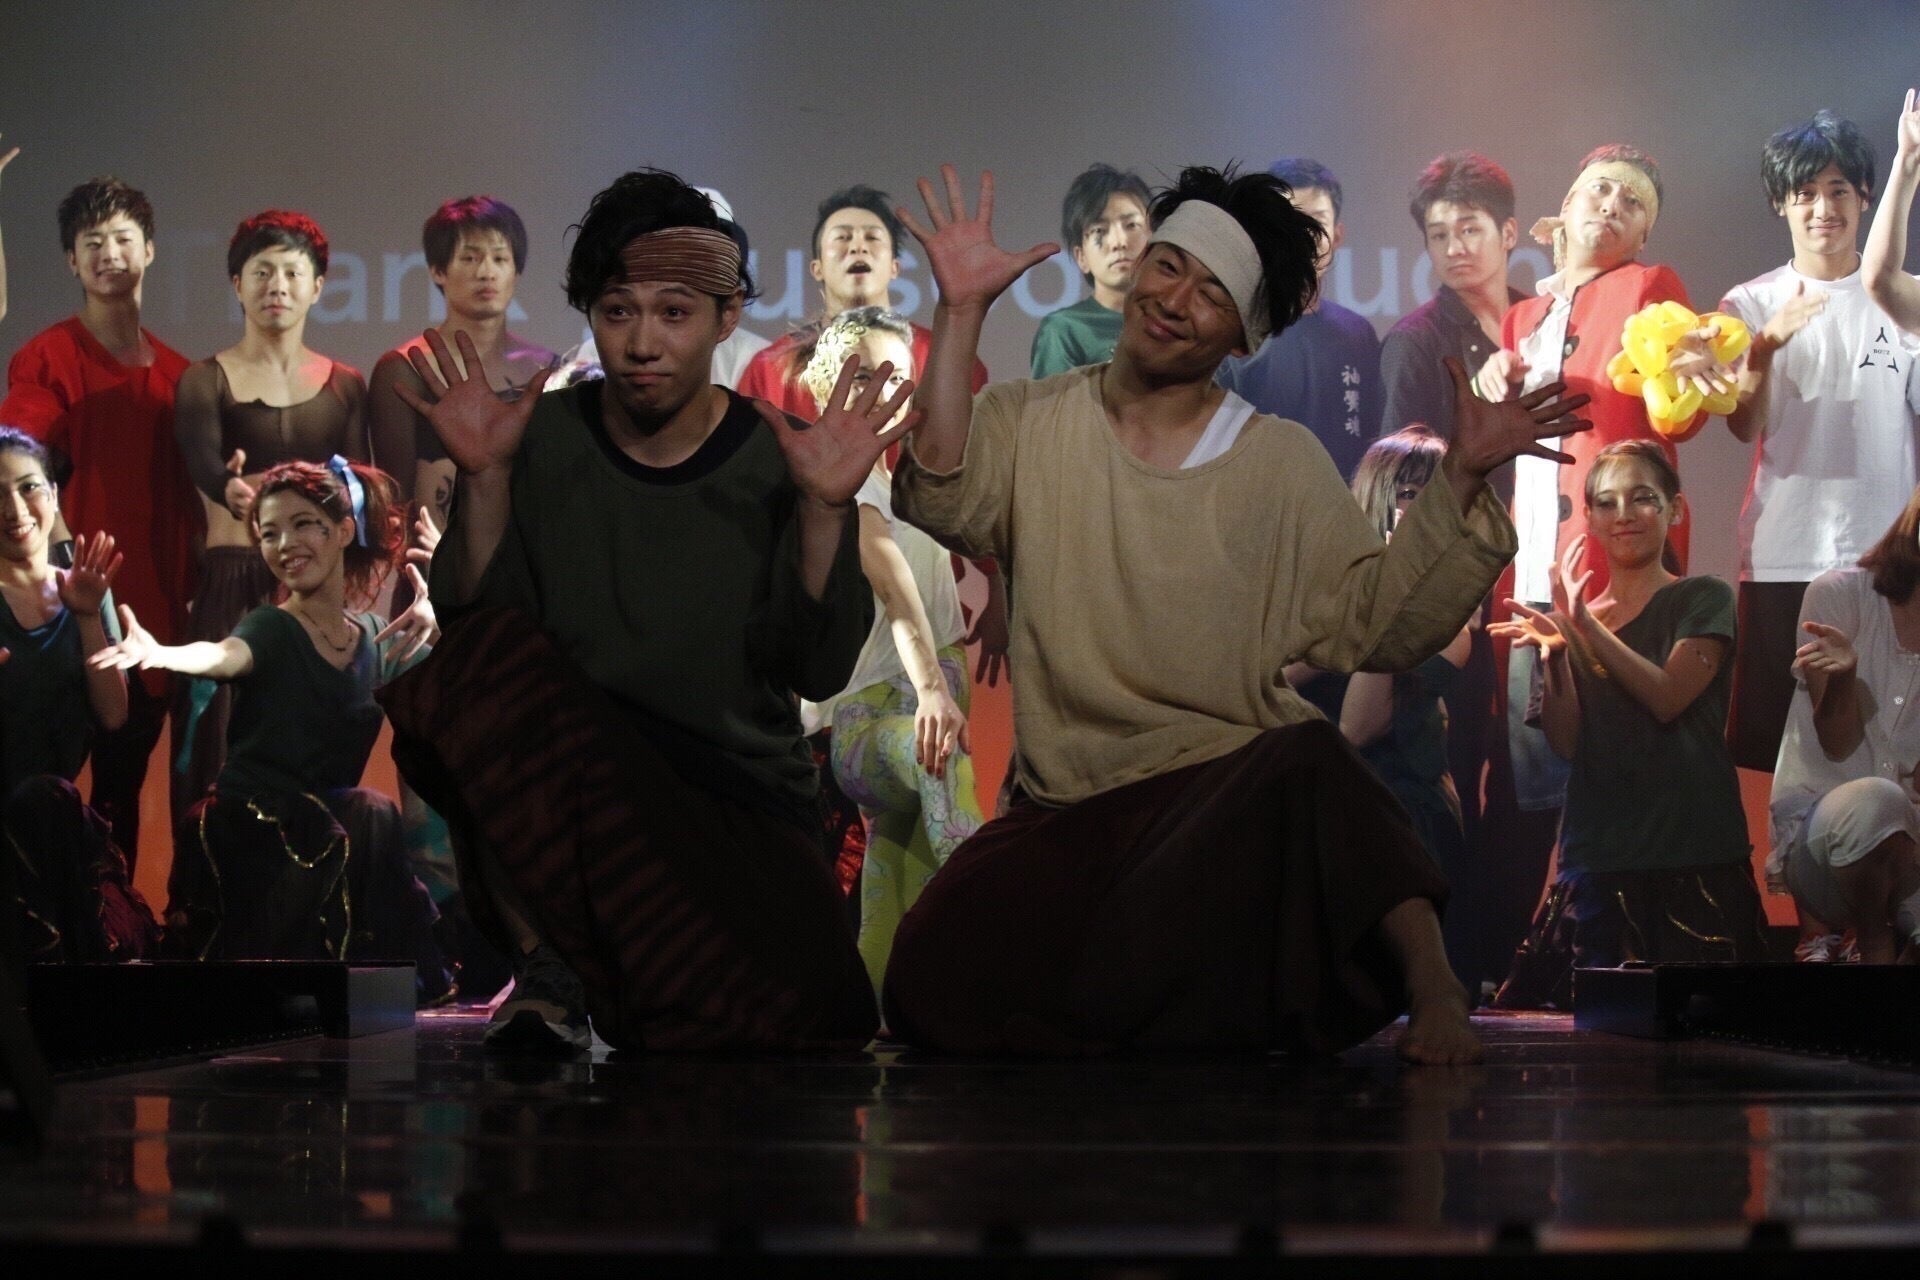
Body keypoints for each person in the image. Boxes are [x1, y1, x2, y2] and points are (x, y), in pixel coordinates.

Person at [881, 163, 1590, 1065]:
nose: (1176, 300)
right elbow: (939, 492)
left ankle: (1433, 983)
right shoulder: (1033, 417)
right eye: (1169, 266)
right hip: (1072, 806)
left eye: (1213, 294)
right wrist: (960, 312)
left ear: (1244, 334)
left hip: (1222, 799)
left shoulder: (1275, 461)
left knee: (1312, 760)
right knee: (929, 977)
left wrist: (1460, 478)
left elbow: (1375, 624)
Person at [379, 169, 905, 1053]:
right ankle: (549, 963)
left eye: (674, 312)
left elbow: (815, 668)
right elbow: (479, 640)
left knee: (816, 1021)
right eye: (618, 312)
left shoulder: (777, 453)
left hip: (735, 799)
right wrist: (487, 478)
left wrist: (825, 509)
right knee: (462, 678)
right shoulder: (541, 438)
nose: (643, 343)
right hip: (585, 779)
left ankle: (635, 975)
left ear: (726, 319)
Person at [91, 460, 446, 990]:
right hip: (253, 827)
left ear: (343, 531)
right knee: (370, 812)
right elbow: (223, 655)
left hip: (329, 826)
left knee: (371, 815)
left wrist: (442, 610)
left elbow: (453, 685)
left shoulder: (374, 638)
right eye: (269, 533)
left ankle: (380, 984)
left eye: (303, 525)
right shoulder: (271, 625)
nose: (284, 545)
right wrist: (163, 653)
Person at [1491, 442, 1765, 1006]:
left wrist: (1583, 625)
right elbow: (1567, 743)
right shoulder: (1569, 625)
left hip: (1694, 855)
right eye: (1607, 502)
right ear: (1589, 517)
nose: (1624, 515)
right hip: (1600, 858)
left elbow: (1667, 697)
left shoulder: (1702, 597)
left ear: (1674, 509)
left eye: (1642, 498)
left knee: (1708, 1035)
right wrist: (1557, 656)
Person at [0, 175, 200, 866]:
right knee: (39, 796)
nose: (109, 253)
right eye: (92, 242)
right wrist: (71, 582)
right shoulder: (47, 358)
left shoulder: (181, 375)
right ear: (71, 260)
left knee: (119, 798)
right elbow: (21, 460)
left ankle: (112, 923)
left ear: (149, 249)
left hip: (156, 616)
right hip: (71, 612)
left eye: (122, 238)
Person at [1722, 112, 1920, 785]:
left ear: (1865, 197)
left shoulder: (1900, 301)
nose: (1822, 208)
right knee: (1776, 764)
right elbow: (1741, 425)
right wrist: (1762, 349)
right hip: (1784, 555)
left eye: (1839, 190)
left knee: (1884, 753)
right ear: (1781, 205)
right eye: (1804, 193)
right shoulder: (1750, 302)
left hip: (1884, 560)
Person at [796, 307, 983, 995]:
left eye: (896, 376)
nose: (882, 390)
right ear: (826, 384)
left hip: (935, 696)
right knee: (941, 766)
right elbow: (895, 588)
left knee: (894, 876)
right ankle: (1006, 928)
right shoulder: (843, 491)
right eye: (863, 376)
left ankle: (885, 1013)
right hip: (866, 720)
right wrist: (931, 690)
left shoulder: (906, 486)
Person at [171, 210, 371, 818]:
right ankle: (203, 877)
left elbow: (359, 490)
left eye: (291, 272)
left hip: (318, 593)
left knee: (311, 750)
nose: (276, 286)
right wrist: (230, 488)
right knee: (212, 749)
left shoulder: (346, 385)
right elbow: (204, 465)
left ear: (318, 286)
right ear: (237, 284)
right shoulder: (204, 379)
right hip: (233, 578)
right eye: (261, 272)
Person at [0, 428, 158, 962]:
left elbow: (113, 715)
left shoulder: (85, 588)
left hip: (58, 822)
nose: (14, 509)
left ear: (52, 494)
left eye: (28, 487)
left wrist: (88, 616)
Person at [1338, 428, 1478, 999]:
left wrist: (1393, 590)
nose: (1422, 510)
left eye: (1436, 496)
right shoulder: (1328, 594)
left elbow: (1359, 726)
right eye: (1409, 493)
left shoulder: (1453, 615)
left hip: (1406, 821)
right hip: (1326, 814)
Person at [1771, 483, 1920, 964]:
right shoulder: (1841, 594)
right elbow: (1836, 742)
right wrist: (1843, 679)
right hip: (1825, 849)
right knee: (1878, 800)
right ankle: (1870, 939)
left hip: (1909, 855)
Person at [368, 196, 558, 527]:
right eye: (470, 258)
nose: (486, 272)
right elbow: (393, 499)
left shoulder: (547, 367)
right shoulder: (403, 369)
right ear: (438, 270)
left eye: (500, 259)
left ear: (517, 271)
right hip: (433, 551)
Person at [1215, 157, 1380, 479]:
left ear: (1338, 235)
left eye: (1318, 220)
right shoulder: (1236, 331)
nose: (1305, 234)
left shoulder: (1358, 333)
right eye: (1290, 221)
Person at [1380, 152, 1525, 442]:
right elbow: (1397, 463)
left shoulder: (1541, 318)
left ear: (1508, 233)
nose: (1453, 249)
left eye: (1469, 230)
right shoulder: (1413, 342)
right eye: (1439, 235)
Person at [1030, 164, 1152, 378]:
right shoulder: (1064, 330)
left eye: (1131, 225)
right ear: (1081, 257)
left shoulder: (1176, 320)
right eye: (1099, 230)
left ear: (1155, 237)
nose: (1119, 242)